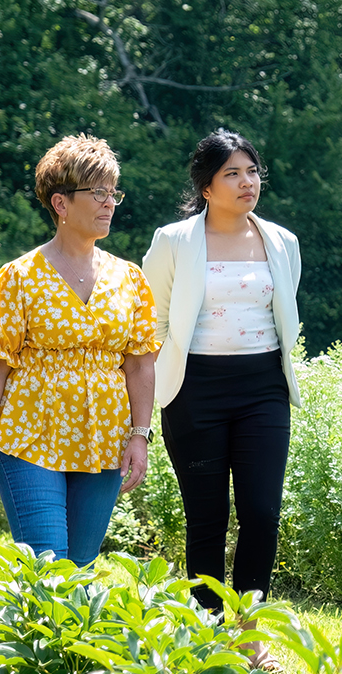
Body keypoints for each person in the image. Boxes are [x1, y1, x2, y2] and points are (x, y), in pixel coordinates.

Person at [0, 135, 160, 567]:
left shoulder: (129, 278)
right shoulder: (19, 278)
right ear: (61, 203)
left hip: (103, 442)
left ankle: (32, 636)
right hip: (29, 438)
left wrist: (140, 437)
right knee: (48, 565)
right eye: (98, 193)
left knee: (80, 570)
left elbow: (141, 364)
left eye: (114, 193)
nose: (110, 203)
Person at [141, 129, 303, 646]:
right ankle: (205, 635)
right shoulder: (174, 241)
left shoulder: (282, 241)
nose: (246, 182)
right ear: (206, 187)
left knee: (261, 511)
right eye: (231, 173)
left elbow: (284, 313)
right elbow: (153, 322)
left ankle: (250, 636)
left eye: (252, 171)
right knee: (206, 518)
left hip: (263, 389)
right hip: (195, 391)